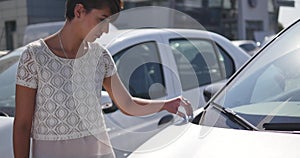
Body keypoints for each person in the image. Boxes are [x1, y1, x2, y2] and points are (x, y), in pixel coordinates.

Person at [13, 0, 192, 158]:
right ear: (79, 11)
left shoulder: (101, 57)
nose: (105, 30)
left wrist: (167, 104)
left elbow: (127, 104)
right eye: (102, 20)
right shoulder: (34, 56)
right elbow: (22, 124)